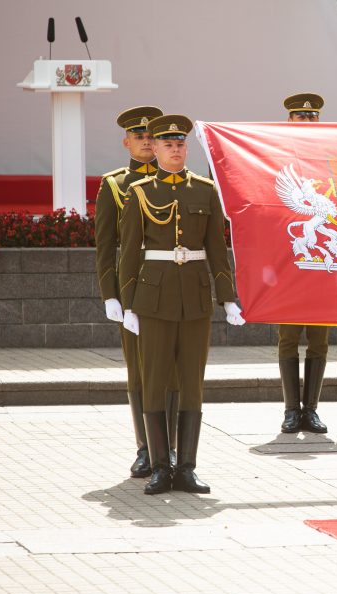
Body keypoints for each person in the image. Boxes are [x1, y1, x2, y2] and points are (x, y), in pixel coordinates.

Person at [118, 114, 245, 495]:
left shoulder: (205, 191)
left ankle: (186, 467)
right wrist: (127, 304)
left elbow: (217, 252)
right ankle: (160, 467)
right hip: (154, 298)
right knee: (154, 382)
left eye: (180, 144)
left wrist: (228, 299)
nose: (175, 150)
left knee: (192, 383)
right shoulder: (139, 191)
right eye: (167, 144)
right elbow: (128, 253)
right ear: (153, 148)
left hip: (194, 297)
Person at [94, 105, 179, 478]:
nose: (146, 141)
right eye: (139, 136)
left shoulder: (178, 181)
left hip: (172, 286)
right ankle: (146, 448)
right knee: (140, 372)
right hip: (135, 288)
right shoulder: (115, 184)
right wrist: (110, 294)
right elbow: (105, 244)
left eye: (151, 136)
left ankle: (171, 449)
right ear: (127, 141)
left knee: (173, 370)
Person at [277, 93, 330, 435]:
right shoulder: (278, 157)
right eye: (301, 117)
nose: (307, 122)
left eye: (312, 118)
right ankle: (290, 410)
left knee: (319, 339)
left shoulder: (329, 159)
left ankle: (311, 410)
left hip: (325, 260)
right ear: (289, 122)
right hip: (289, 262)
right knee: (288, 338)